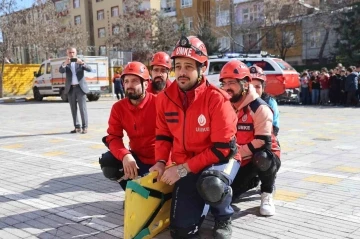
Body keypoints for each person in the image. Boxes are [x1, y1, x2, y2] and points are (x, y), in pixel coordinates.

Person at [149, 35, 239, 239]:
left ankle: (223, 215)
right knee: (181, 232)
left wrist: (183, 169)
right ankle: (204, 202)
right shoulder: (164, 98)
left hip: (219, 161)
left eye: (188, 66)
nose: (181, 72)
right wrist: (161, 162)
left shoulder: (217, 99)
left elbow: (221, 149)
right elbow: (163, 135)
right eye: (178, 66)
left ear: (203, 68)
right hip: (186, 166)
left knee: (211, 185)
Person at [219, 60, 281, 216]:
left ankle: (267, 192)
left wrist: (235, 154)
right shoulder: (226, 105)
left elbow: (262, 143)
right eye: (224, 83)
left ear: (245, 84)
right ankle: (253, 181)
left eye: (232, 83)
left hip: (262, 156)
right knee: (224, 195)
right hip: (240, 159)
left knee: (262, 157)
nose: (227, 87)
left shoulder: (260, 108)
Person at [99, 62, 157, 190]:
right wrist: (125, 155)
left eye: (135, 81)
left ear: (146, 84)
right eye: (126, 81)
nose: (129, 85)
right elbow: (113, 137)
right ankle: (133, 192)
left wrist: (165, 162)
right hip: (136, 160)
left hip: (160, 162)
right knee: (108, 162)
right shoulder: (118, 108)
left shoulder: (159, 103)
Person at [59, 47, 92, 134]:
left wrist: (82, 63)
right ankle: (77, 127)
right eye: (70, 52)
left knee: (82, 108)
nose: (71, 54)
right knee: (73, 109)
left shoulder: (80, 62)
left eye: (73, 52)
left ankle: (85, 127)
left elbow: (90, 69)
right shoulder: (66, 63)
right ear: (67, 53)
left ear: (76, 53)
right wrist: (65, 64)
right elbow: (61, 70)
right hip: (70, 89)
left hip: (80, 88)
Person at [249, 65, 280, 136]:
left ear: (263, 88)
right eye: (250, 86)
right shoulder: (238, 103)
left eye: (257, 87)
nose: (253, 90)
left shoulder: (270, 103)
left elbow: (274, 129)